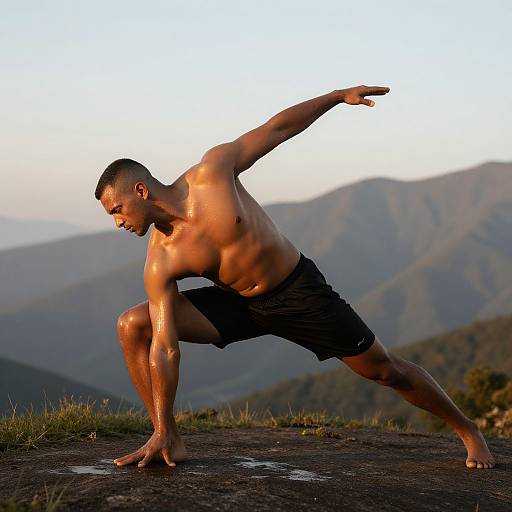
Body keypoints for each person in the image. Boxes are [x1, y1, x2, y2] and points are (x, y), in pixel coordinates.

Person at [95, 85, 495, 470]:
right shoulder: (160, 260)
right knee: (133, 324)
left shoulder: (211, 174)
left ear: (141, 191)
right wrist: (164, 424)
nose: (117, 223)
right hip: (240, 305)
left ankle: (468, 429)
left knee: (385, 369)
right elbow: (164, 348)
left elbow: (277, 129)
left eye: (117, 209)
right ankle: (167, 437)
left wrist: (337, 98)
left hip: (298, 292)